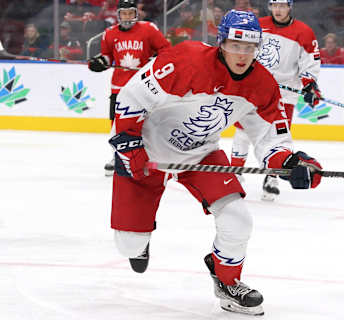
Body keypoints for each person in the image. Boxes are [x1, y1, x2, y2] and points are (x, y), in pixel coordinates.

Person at [108, 9, 322, 316]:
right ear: (221, 42)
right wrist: (128, 145)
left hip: (202, 154)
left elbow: (270, 138)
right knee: (128, 246)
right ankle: (139, 237)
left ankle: (227, 282)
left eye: (250, 47)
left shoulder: (262, 85)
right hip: (149, 152)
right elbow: (132, 97)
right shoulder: (185, 61)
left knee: (238, 219)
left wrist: (290, 162)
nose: (242, 54)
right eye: (236, 45)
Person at [230, 0, 322, 201]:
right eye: (274, 6)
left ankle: (272, 178)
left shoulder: (304, 32)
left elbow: (310, 62)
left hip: (284, 95)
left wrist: (309, 84)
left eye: (282, 6)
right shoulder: (257, 26)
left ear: (290, 7)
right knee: (243, 130)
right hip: (254, 88)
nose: (278, 10)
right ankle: (234, 174)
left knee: (279, 137)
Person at [87, 0, 170, 176]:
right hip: (119, 88)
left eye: (130, 13)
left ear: (136, 14)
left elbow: (166, 50)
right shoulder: (109, 33)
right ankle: (118, 157)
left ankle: (152, 154)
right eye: (123, 13)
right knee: (117, 125)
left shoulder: (149, 29)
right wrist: (101, 62)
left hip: (143, 86)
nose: (127, 17)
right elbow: (108, 56)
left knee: (148, 124)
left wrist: (153, 61)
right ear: (118, 15)